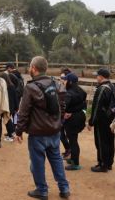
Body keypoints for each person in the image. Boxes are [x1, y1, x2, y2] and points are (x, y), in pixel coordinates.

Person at [15, 56, 70, 200]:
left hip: (38, 133)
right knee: (56, 159)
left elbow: (24, 111)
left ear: (34, 68)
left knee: (37, 162)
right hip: (54, 131)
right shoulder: (57, 84)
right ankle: (64, 189)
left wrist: (19, 131)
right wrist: (59, 123)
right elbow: (62, 107)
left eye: (30, 67)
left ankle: (42, 190)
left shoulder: (31, 87)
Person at [87, 68, 115, 172]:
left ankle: (102, 164)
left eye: (97, 75)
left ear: (101, 77)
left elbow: (96, 107)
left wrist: (91, 122)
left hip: (102, 120)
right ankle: (109, 163)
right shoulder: (112, 86)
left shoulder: (102, 89)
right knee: (109, 141)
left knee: (101, 142)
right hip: (111, 119)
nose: (96, 77)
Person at [62, 73, 87, 171]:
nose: (64, 82)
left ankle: (75, 163)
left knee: (73, 140)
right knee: (73, 139)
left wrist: (67, 112)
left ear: (70, 82)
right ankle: (73, 159)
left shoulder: (69, 93)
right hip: (79, 116)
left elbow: (64, 106)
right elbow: (83, 104)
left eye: (66, 80)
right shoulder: (82, 91)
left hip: (72, 119)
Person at [0, 72, 19, 142]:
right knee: (7, 120)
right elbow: (15, 97)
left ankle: (11, 135)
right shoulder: (12, 86)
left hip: (7, 106)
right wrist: (17, 107)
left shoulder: (5, 87)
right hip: (12, 106)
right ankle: (10, 133)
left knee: (7, 120)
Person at [59, 72, 70, 160]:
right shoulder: (60, 88)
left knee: (65, 135)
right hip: (61, 116)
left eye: (64, 78)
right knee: (61, 134)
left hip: (68, 117)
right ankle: (68, 149)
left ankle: (69, 150)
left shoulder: (69, 90)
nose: (61, 80)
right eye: (61, 78)